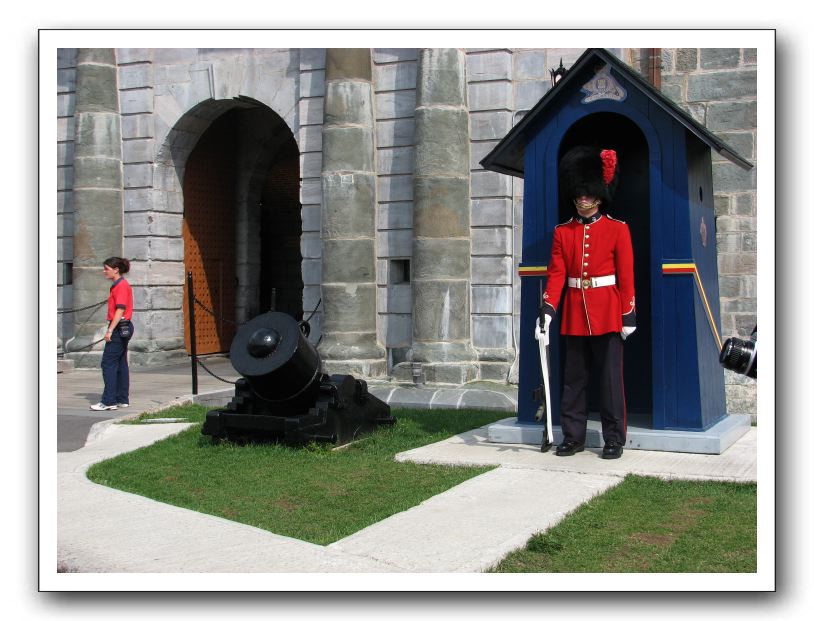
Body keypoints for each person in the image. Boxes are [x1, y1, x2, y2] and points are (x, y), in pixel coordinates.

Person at [540, 146, 636, 459]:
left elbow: (626, 276)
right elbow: (557, 275)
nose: (583, 199)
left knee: (610, 381)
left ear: (598, 196)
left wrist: (628, 314)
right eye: (579, 194)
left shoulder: (617, 229)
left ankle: (614, 438)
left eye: (588, 194)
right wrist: (548, 309)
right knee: (573, 381)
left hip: (608, 312)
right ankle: (573, 436)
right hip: (574, 316)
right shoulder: (562, 232)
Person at [90, 257, 134, 411]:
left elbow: (120, 309)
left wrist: (109, 330)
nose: (104, 271)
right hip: (123, 326)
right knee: (120, 362)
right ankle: (122, 398)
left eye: (106, 269)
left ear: (116, 270)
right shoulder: (120, 285)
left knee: (108, 363)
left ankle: (108, 401)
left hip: (119, 327)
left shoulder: (120, 285)